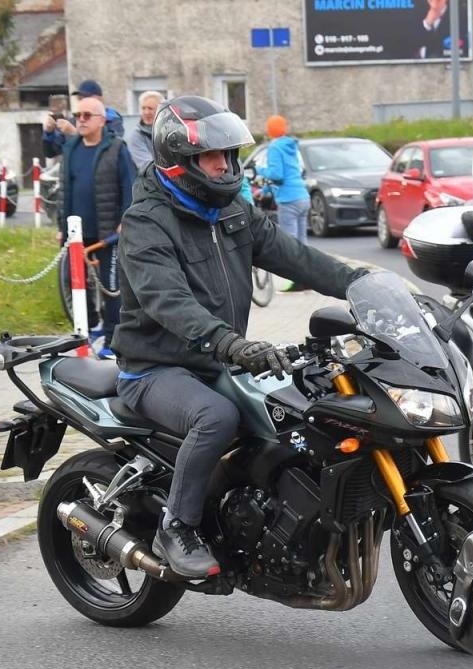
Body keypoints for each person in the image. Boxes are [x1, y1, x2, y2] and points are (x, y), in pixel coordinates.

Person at [111, 96, 368, 578]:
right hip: (154, 367)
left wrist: (363, 285)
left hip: (217, 360)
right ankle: (176, 527)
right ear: (179, 161)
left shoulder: (231, 210)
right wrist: (230, 344)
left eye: (229, 155)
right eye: (212, 157)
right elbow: (168, 301)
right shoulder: (147, 223)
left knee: (300, 410)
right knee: (216, 416)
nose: (224, 166)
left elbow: (296, 258)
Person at [59, 86, 136, 358]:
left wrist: (125, 219)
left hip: (108, 233)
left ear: (101, 120)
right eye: (78, 114)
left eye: (87, 115)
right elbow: (65, 189)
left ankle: (114, 341)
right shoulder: (71, 148)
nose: (80, 119)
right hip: (76, 233)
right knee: (71, 280)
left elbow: (130, 186)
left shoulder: (116, 148)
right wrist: (62, 227)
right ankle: (90, 327)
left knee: (111, 287)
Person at [43, 78, 127, 160]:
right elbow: (51, 152)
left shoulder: (112, 121)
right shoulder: (74, 121)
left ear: (99, 99)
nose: (82, 101)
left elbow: (110, 150)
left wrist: (74, 133)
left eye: (86, 98)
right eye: (79, 98)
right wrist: (49, 133)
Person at [260, 114, 309, 246]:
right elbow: (290, 172)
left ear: (270, 130)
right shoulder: (290, 146)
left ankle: (294, 267)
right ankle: (306, 266)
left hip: (289, 199)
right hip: (303, 196)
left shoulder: (274, 148)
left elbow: (277, 175)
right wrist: (264, 190)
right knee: (302, 241)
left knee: (290, 243)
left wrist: (260, 170)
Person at [126, 90, 163, 169]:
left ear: (161, 110)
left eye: (150, 108)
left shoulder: (167, 133)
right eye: (143, 108)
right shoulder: (136, 136)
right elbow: (146, 166)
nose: (146, 112)